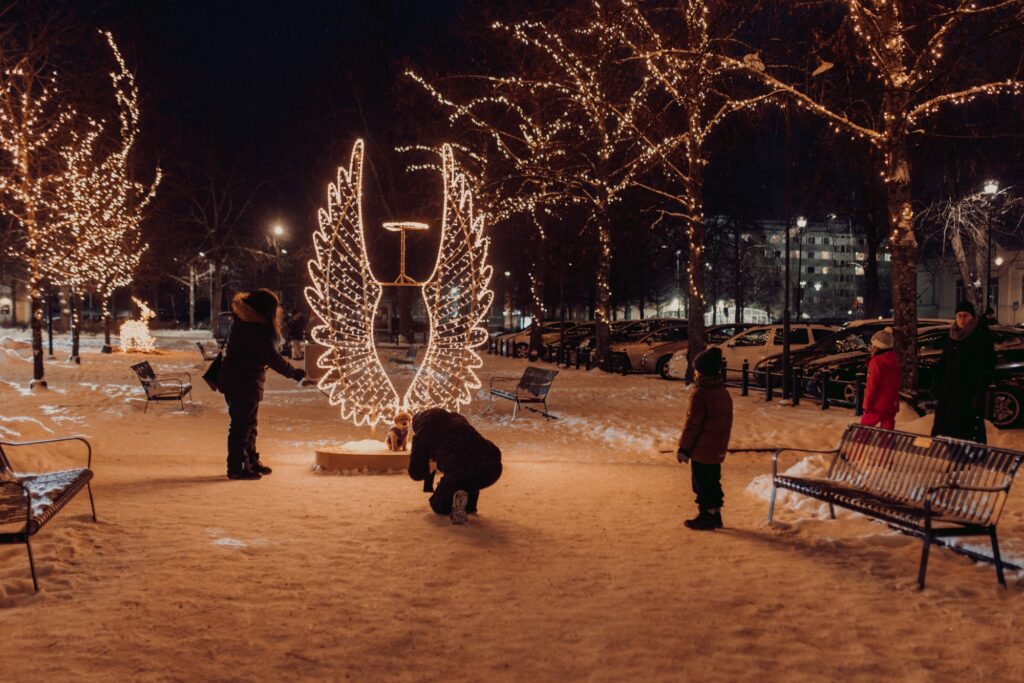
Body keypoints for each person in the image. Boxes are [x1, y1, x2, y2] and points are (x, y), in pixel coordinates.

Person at [217, 289, 306, 480]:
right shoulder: (254, 328)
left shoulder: (245, 322)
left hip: (240, 379)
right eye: (275, 308)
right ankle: (237, 466)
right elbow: (272, 358)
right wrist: (294, 373)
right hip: (242, 381)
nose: (278, 312)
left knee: (249, 423)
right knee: (242, 425)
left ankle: (248, 461)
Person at [407, 408, 502, 524]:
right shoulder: (457, 418)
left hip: (459, 469)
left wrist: (425, 456)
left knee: (438, 503)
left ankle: (456, 503)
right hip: (492, 465)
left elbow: (416, 473)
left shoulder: (421, 434)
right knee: (471, 474)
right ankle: (469, 506)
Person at [676, 347, 733, 531]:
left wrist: (684, 448)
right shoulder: (721, 391)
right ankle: (716, 514)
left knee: (701, 483)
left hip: (702, 448)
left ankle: (706, 516)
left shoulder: (701, 393)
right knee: (713, 481)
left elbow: (692, 425)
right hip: (716, 447)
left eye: (696, 368)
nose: (695, 371)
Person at [931, 301, 996, 444]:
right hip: (949, 390)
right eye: (959, 315)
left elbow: (987, 365)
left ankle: (969, 457)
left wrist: (980, 391)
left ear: (972, 317)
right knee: (949, 425)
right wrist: (937, 384)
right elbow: (944, 362)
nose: (961, 319)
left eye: (965, 315)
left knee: (967, 426)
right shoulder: (952, 334)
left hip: (969, 390)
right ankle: (953, 453)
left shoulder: (981, 334)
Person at [860, 327, 900, 430]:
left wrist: (867, 404)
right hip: (891, 403)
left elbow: (872, 385)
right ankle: (887, 446)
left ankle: (858, 444)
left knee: (864, 429)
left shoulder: (876, 362)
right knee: (887, 431)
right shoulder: (894, 359)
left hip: (877, 404)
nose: (871, 346)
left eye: (873, 344)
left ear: (878, 346)